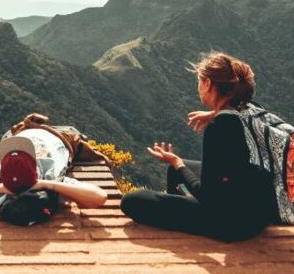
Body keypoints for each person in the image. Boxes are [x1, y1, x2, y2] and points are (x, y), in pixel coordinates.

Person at [121, 51, 294, 242]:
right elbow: (235, 114)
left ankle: (188, 217)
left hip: (234, 225)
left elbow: (208, 197)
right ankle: (185, 211)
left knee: (132, 201)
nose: (198, 87)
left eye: (199, 82)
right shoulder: (249, 110)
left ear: (208, 84)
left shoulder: (218, 128)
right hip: (258, 214)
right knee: (174, 171)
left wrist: (178, 162)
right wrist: (214, 112)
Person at [0, 126, 108, 224]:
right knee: (73, 130)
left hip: (18, 133)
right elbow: (100, 197)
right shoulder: (50, 179)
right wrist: (48, 184)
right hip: (59, 135)